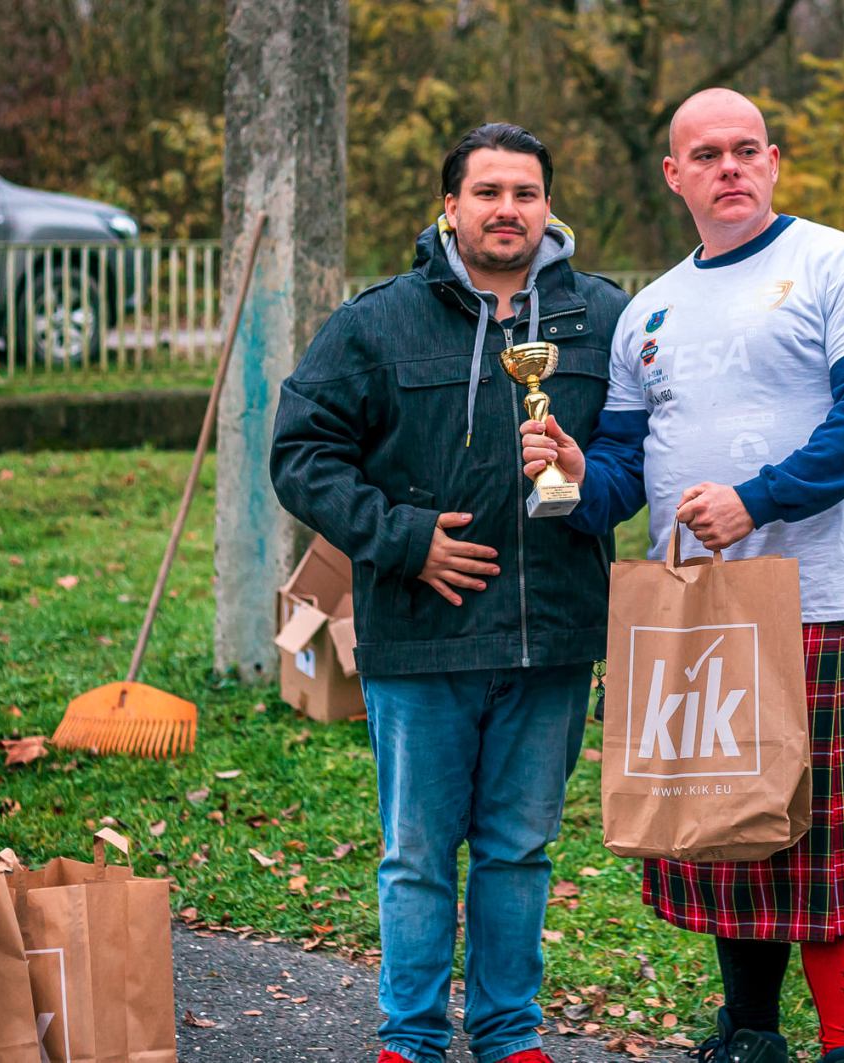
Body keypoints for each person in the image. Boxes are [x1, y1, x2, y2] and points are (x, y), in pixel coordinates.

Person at [519, 89, 844, 1063]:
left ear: (774, 161)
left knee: (827, 843)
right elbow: (626, 466)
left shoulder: (843, 268)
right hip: (699, 613)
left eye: (747, 149)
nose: (729, 167)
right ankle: (751, 1033)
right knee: (728, 832)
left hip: (820, 603)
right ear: (675, 174)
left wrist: (760, 497)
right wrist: (577, 474)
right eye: (706, 154)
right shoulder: (650, 310)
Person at [271, 123, 628, 1063]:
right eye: (487, 192)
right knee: (418, 855)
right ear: (450, 206)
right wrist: (404, 539)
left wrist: (590, 473)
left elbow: (641, 449)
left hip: (552, 636)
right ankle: (412, 1038)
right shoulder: (377, 323)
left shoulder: (600, 316)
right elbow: (301, 453)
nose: (508, 209)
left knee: (518, 851)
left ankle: (509, 1035)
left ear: (548, 207)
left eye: (525, 193)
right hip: (421, 636)